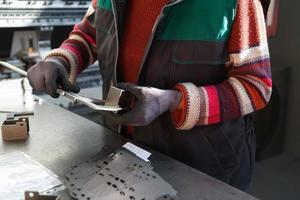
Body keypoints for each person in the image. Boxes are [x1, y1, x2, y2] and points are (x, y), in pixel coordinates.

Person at [27, 0, 272, 190]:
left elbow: (256, 86)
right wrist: (62, 60)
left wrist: (173, 101)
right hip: (122, 153)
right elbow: (89, 34)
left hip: (201, 166)